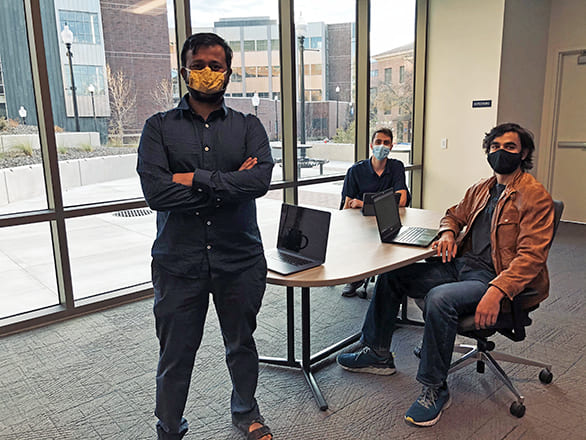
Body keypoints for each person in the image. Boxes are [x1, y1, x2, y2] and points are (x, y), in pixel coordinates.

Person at [337, 122, 554, 427]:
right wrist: (448, 233)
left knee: (440, 298)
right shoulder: (482, 188)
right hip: (461, 266)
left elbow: (531, 257)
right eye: (495, 147)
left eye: (510, 147)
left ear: (524, 153)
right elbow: (453, 214)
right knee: (393, 273)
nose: (500, 152)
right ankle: (377, 351)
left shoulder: (534, 197)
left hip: (491, 278)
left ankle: (434, 388)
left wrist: (497, 291)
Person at [137, 33, 274, 440]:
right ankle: (169, 426)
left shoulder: (249, 126)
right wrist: (228, 185)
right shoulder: (158, 128)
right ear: (184, 71)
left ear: (229, 73)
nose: (207, 73)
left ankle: (245, 411)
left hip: (239, 260)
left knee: (241, 344)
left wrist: (193, 179)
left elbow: (260, 180)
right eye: (199, 65)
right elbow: (157, 193)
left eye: (216, 66)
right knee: (176, 354)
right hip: (179, 263)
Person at [340, 128, 411, 297]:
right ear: (371, 145)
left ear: (391, 147)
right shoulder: (355, 171)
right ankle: (356, 277)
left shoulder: (396, 167)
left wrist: (363, 203)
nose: (382, 146)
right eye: (378, 142)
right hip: (361, 224)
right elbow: (347, 205)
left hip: (388, 221)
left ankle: (388, 279)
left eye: (386, 143)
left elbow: (401, 200)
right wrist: (383, 202)